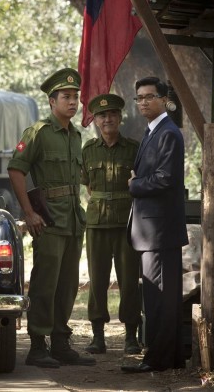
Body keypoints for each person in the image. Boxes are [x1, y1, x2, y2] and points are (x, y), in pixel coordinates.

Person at [8, 68, 94, 368]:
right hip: (49, 219)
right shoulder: (38, 132)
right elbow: (16, 170)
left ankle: (60, 342)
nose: (73, 102)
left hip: (73, 219)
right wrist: (29, 213)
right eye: (66, 97)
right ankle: (37, 345)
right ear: (51, 101)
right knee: (46, 283)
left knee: (69, 284)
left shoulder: (75, 135)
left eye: (76, 97)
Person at [122, 76, 188, 373]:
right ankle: (170, 356)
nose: (143, 102)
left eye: (150, 96)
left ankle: (157, 359)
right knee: (161, 296)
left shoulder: (168, 133)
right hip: (153, 230)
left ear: (164, 99)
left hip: (159, 231)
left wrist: (135, 185)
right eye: (139, 98)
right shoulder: (153, 131)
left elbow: (166, 178)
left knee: (159, 298)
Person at [81, 93, 142, 355]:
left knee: (129, 280)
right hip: (96, 224)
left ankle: (130, 336)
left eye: (112, 114)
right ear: (95, 120)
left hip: (127, 223)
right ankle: (98, 336)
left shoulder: (134, 148)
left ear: (120, 117)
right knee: (97, 281)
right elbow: (87, 186)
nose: (108, 119)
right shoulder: (88, 151)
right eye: (102, 115)